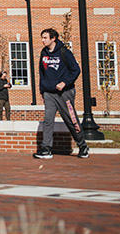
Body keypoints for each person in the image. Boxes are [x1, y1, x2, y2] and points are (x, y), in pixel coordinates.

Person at [35, 28, 89, 159]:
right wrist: (42, 91)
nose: (43, 40)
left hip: (64, 93)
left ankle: (83, 146)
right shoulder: (44, 53)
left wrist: (64, 82)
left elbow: (76, 70)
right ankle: (46, 149)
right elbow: (42, 73)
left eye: (45, 38)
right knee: (48, 120)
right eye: (42, 38)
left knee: (71, 120)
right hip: (49, 93)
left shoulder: (64, 52)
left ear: (53, 38)